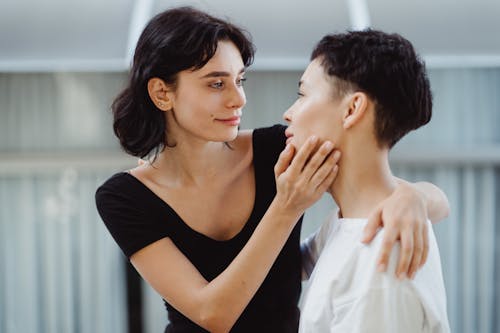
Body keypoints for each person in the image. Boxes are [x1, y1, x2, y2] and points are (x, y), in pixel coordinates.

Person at [95, 7, 449, 333]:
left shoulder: (280, 149)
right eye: (216, 83)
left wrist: (410, 198)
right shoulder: (124, 197)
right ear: (161, 93)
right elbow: (211, 314)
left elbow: (378, 184)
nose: (238, 99)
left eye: (240, 80)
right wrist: (287, 206)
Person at [291, 30, 450, 332]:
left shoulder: (382, 252)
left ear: (352, 109)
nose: (289, 114)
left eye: (302, 95)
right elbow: (281, 267)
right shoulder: (342, 225)